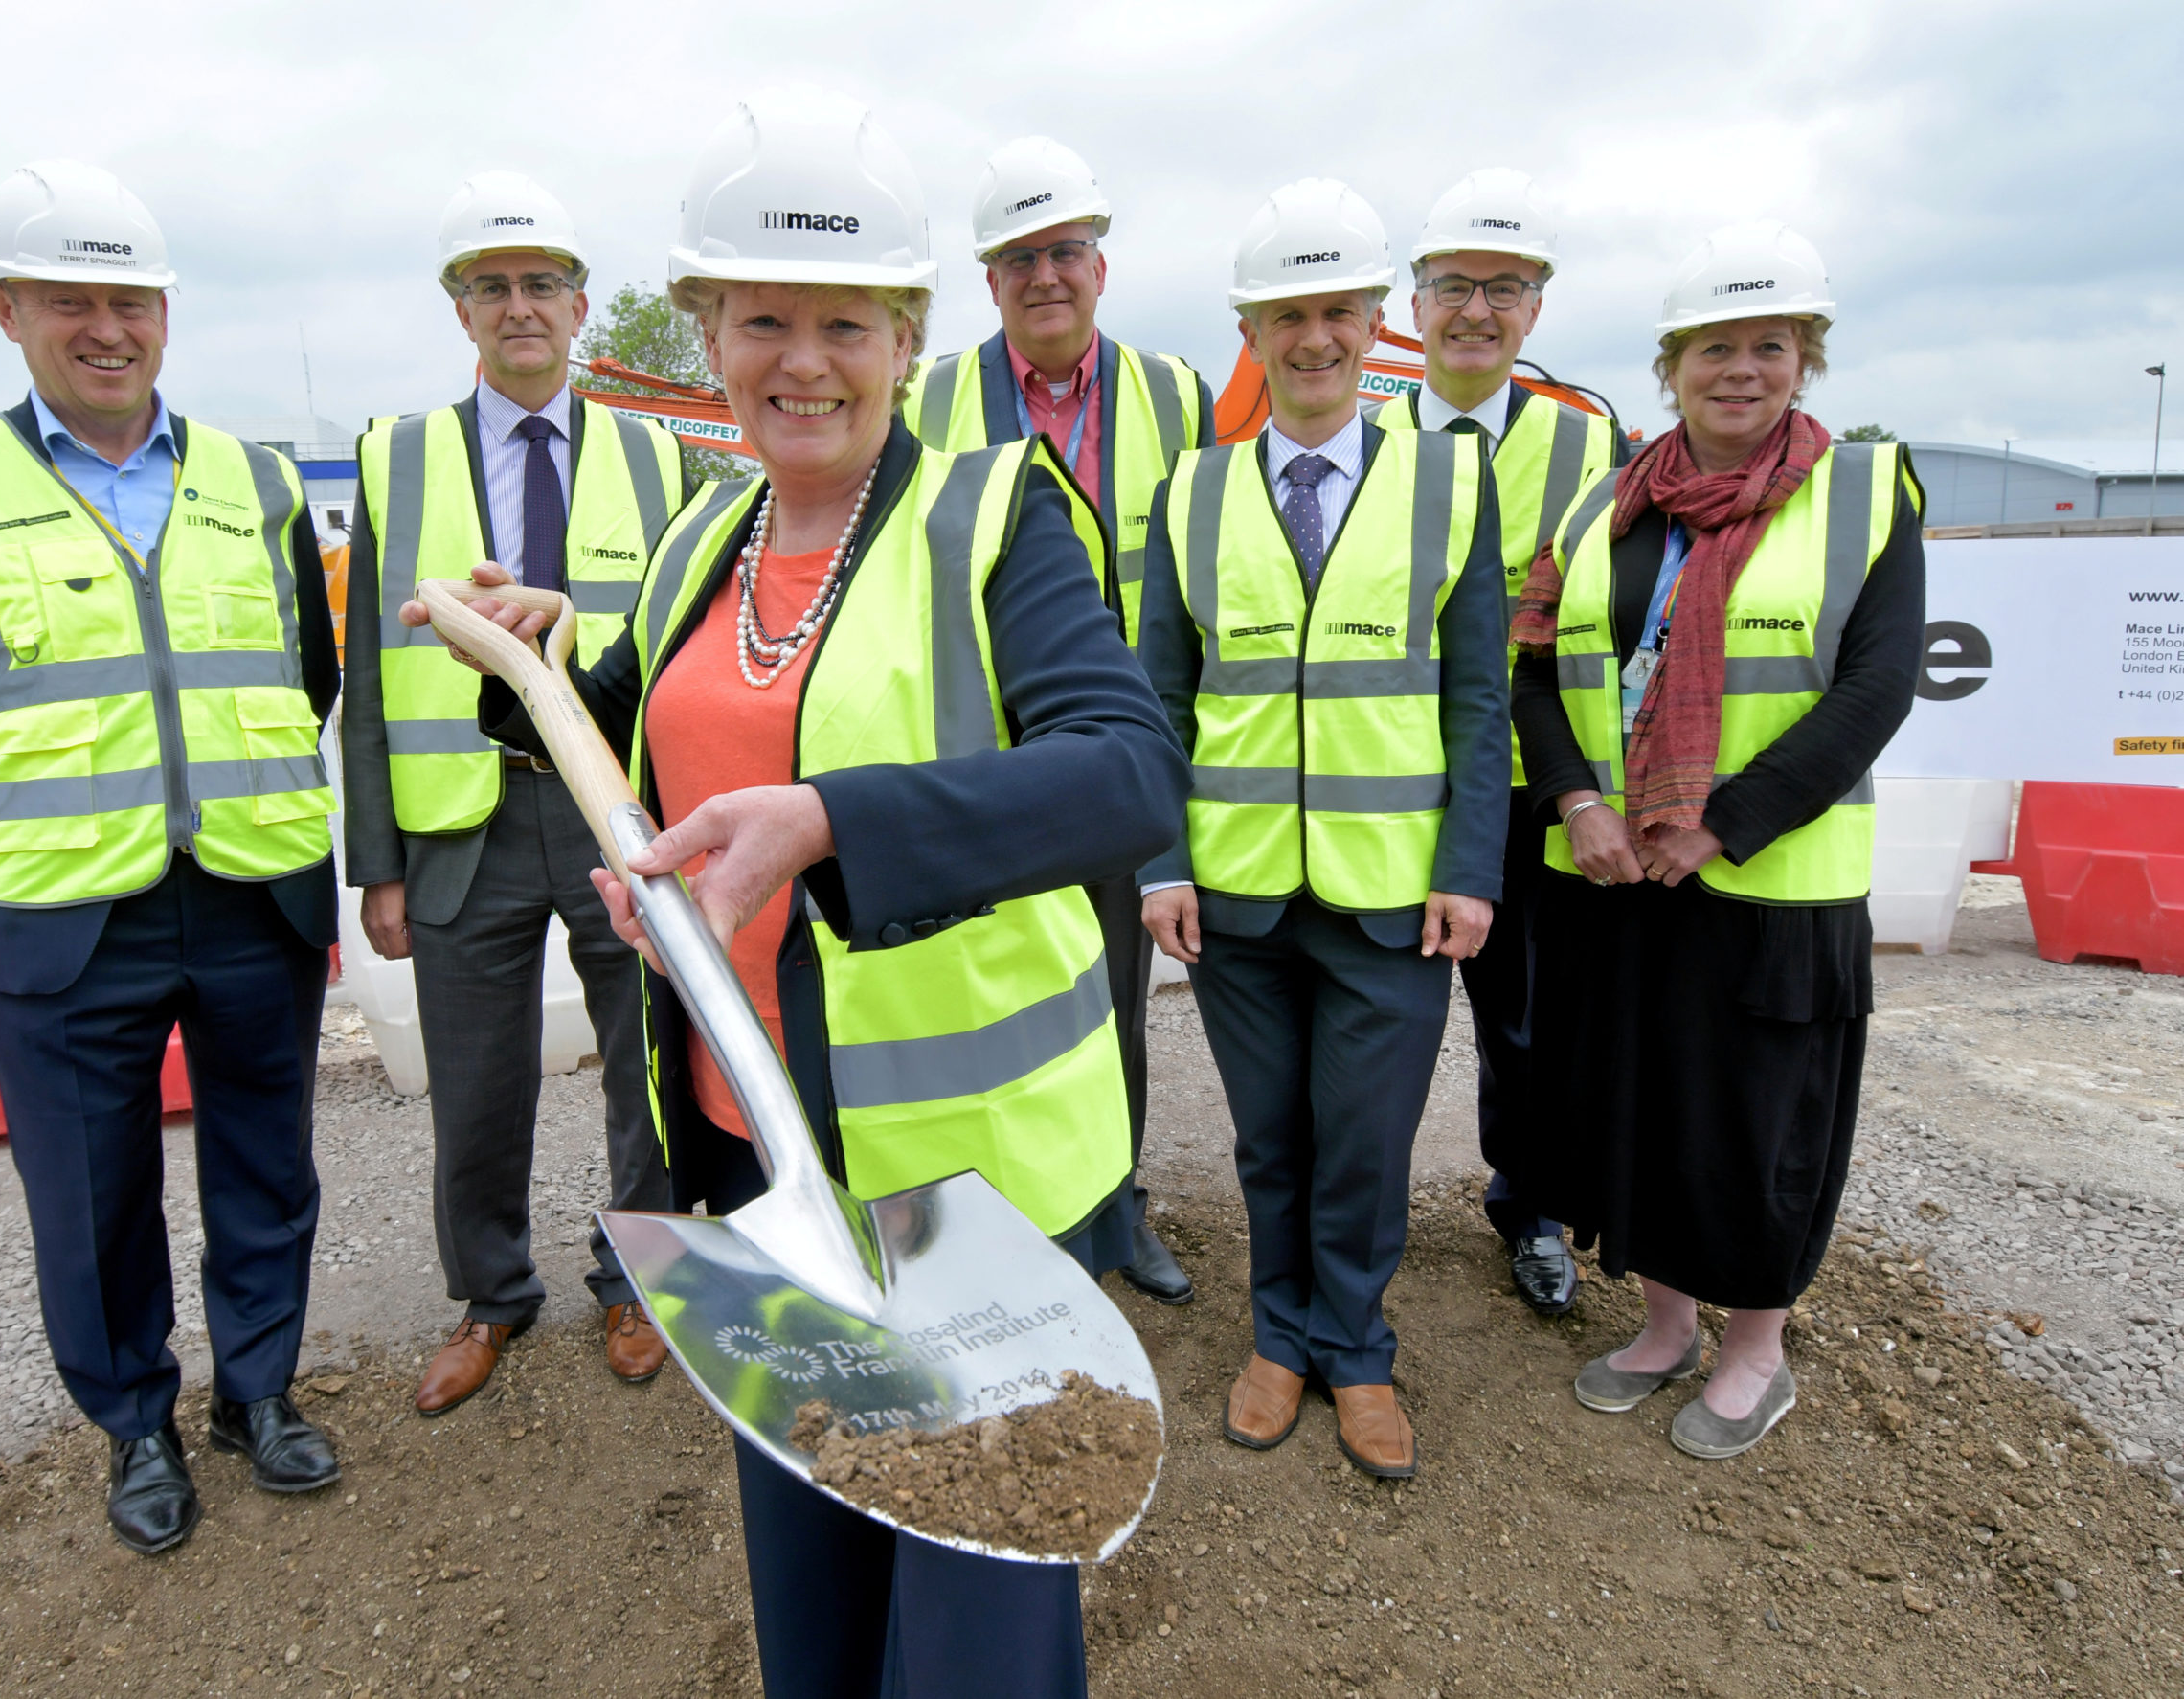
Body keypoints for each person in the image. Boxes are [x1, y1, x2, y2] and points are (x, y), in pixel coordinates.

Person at [410, 90, 1186, 1699]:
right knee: (817, 1581)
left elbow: (1126, 773)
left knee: (978, 1611)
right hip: (757, 1160)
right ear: (708, 336)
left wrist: (837, 816)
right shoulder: (710, 525)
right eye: (762, 318)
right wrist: (528, 667)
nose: (804, 360)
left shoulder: (998, 514)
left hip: (971, 1197)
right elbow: (625, 740)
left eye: (848, 321)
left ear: (907, 337)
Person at [0, 161, 342, 1553]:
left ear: (166, 312)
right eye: (71, 300)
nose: (107, 328)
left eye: (131, 300)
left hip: (253, 886)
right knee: (89, 1196)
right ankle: (137, 1424)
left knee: (268, 1165)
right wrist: (57, 813)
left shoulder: (249, 481)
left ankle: (261, 1393)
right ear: (7, 308)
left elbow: (298, 672)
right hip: (64, 916)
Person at [1510, 222, 1924, 1459]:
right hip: (1627, 880)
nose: (1740, 369)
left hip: (1772, 889)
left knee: (1756, 1128)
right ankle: (1664, 1324)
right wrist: (1579, 801)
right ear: (1670, 363)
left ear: (1807, 361)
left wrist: (1724, 824)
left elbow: (1875, 690)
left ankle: (1757, 1350)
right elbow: (1538, 672)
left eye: (1770, 346)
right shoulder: (1606, 503)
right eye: (1713, 348)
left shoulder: (1861, 492)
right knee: (1641, 1110)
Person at [1138, 180, 1509, 1479]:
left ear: (1373, 325)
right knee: (1270, 1136)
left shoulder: (1448, 487)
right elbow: (1158, 703)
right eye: (1287, 315)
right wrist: (1160, 862)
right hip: (1235, 896)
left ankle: (1354, 1349)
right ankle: (1278, 1337)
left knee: (1363, 1137)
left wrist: (1472, 870)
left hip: (1391, 894)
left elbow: (1476, 697)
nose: (1315, 339)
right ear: (1250, 330)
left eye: (1339, 311)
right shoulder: (1190, 495)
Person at [341, 173, 692, 1409]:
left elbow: (681, 636)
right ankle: (490, 1297)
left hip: (612, 803)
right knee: (475, 1079)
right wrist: (373, 859)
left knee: (645, 1065)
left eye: (540, 283)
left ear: (581, 303)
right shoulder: (396, 457)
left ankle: (638, 1279)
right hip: (458, 823)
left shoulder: (657, 456)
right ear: (461, 313)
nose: (518, 306)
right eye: (491, 287)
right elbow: (363, 679)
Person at [902, 135, 1214, 1306]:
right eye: (1019, 256)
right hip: (979, 760)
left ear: (1101, 262)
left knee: (1109, 1005)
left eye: (1066, 250)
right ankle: (979, 1222)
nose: (1046, 275)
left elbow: (1197, 587)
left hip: (1114, 766)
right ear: (988, 279)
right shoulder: (929, 397)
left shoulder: (1175, 397)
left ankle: (1115, 1205)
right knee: (975, 999)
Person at [1369, 169, 1625, 1316]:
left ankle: (1530, 1208)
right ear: (1412, 304)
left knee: (1526, 1020)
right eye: (1454, 287)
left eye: (1505, 289)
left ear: (1537, 307)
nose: (1477, 311)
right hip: (1382, 779)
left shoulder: (1586, 441)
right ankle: (1355, 1220)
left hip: (1524, 781)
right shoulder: (1358, 437)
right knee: (1372, 1017)